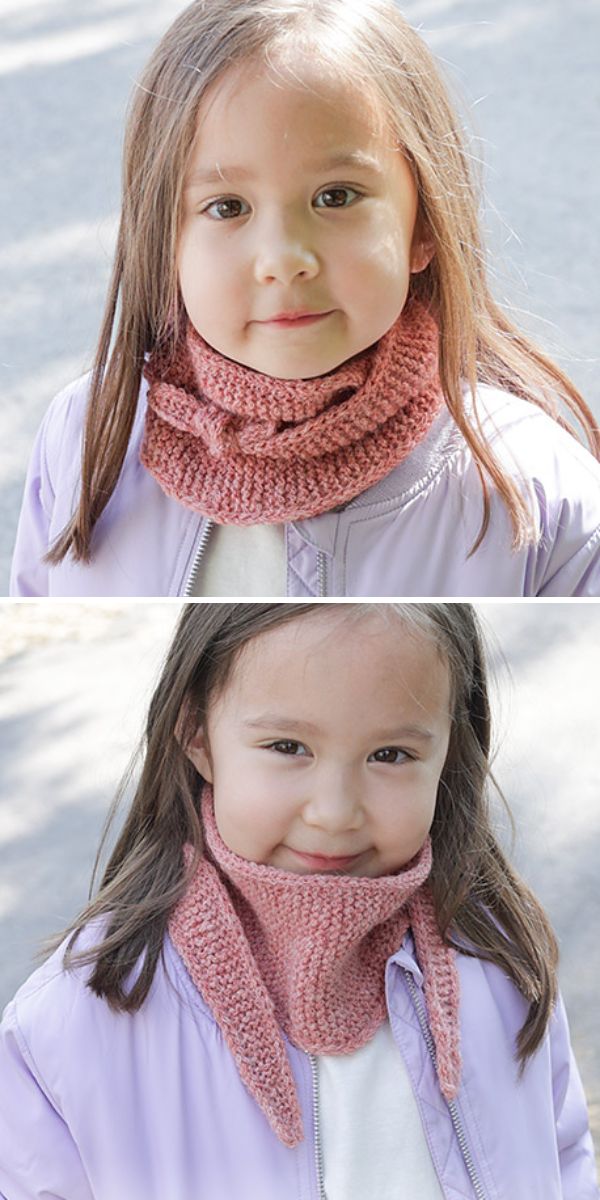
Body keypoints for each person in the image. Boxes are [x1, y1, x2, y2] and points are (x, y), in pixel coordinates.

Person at [0, 601, 597, 1199]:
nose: (334, 813)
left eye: (390, 755)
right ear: (197, 734)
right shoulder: (77, 1021)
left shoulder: (500, 965)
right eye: (287, 746)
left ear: (449, 754)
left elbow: (562, 1158)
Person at [8, 0, 600, 599]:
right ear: (165, 241)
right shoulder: (86, 438)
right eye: (227, 207)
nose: (285, 258)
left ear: (423, 224)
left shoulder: (533, 490)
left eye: (336, 196)